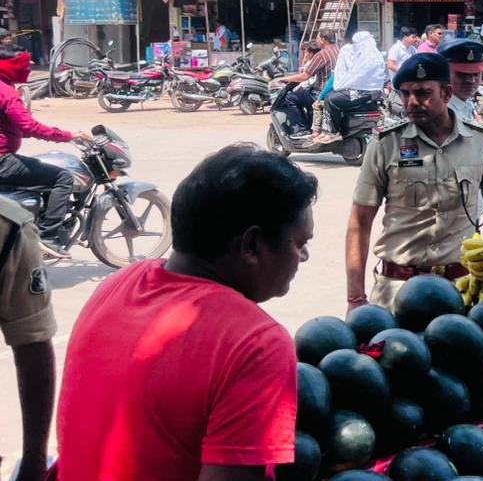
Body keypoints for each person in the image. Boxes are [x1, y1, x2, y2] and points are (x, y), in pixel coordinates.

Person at [57, 145, 317, 481]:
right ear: (251, 246)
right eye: (299, 243)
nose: (304, 256)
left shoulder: (120, 282)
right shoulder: (255, 343)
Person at [346, 53, 483, 310]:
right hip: (397, 290)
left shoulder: (481, 142)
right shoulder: (386, 144)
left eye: (422, 93)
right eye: (405, 94)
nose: (411, 102)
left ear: (446, 93)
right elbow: (360, 222)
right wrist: (355, 297)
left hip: (462, 289)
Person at [0, 48, 91, 250]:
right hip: (3, 161)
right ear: (11, 66)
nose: (30, 67)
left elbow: (13, 127)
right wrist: (67, 135)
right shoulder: (6, 92)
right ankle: (49, 237)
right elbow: (28, 126)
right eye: (25, 64)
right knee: (63, 178)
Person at [0, 197, 56, 481]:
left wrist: (34, 465)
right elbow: (33, 346)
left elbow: (32, 344)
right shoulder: (7, 225)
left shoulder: (8, 228)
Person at [314, 31, 387, 145]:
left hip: (366, 93)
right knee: (332, 96)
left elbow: (355, 77)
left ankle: (332, 132)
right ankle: (329, 130)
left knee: (331, 99)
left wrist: (341, 86)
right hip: (369, 92)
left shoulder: (368, 57)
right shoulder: (371, 55)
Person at [279, 29, 338, 138]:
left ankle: (302, 129)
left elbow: (305, 76)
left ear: (323, 39)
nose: (317, 41)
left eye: (318, 38)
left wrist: (285, 78)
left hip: (320, 94)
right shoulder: (338, 51)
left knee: (291, 97)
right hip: (335, 92)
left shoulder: (322, 55)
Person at [440, 36, 483, 124]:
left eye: (476, 74)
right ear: (445, 74)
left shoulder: (465, 101)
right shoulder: (444, 114)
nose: (471, 80)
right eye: (463, 74)